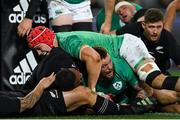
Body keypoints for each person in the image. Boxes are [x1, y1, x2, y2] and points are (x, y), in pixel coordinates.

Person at [26, 26, 180, 93]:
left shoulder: (67, 41)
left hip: (125, 47)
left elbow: (94, 58)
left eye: (39, 47)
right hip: (117, 55)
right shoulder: (61, 43)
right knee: (156, 96)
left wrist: (91, 90)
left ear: (46, 40)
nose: (39, 53)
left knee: (156, 80)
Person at [0, 67, 156, 117]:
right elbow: (26, 104)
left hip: (40, 97)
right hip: (43, 105)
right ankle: (132, 109)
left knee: (86, 104)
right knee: (85, 93)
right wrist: (41, 85)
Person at [93, 46, 180, 113]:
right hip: (117, 106)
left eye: (110, 62)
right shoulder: (86, 78)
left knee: (162, 96)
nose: (110, 68)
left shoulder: (121, 67)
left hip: (132, 99)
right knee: (176, 109)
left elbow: (146, 90)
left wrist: (136, 103)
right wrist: (99, 99)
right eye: (104, 66)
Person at [115, 8, 180, 75]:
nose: (155, 31)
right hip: (134, 76)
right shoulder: (133, 29)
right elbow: (110, 39)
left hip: (160, 76)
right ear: (143, 25)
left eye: (159, 27)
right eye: (151, 27)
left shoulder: (167, 38)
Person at [17, 0, 93, 37]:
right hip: (59, 2)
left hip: (82, 3)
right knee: (64, 45)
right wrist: (29, 17)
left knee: (85, 45)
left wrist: (105, 21)